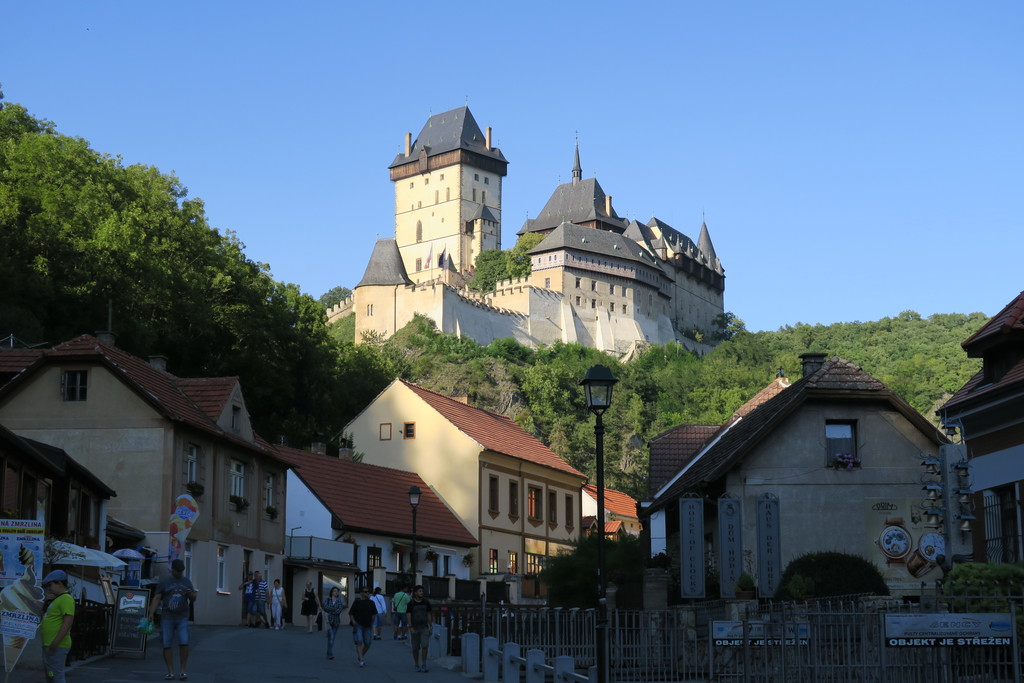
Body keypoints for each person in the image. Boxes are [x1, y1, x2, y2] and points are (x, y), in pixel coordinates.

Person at [147, 558, 197, 681]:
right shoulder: (164, 582)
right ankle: (170, 671)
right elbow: (157, 598)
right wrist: (151, 613)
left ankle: (183, 671)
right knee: (166, 644)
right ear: (172, 570)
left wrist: (190, 595)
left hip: (182, 617)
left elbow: (194, 598)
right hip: (167, 617)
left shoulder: (186, 581)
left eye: (181, 571)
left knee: (184, 642)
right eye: (177, 571)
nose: (179, 573)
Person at [41, 569, 75, 683]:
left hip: (57, 645)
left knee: (56, 675)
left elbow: (68, 622)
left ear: (59, 583)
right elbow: (42, 616)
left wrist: (55, 642)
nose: (49, 588)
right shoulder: (56, 599)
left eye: (50, 585)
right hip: (49, 644)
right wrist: (46, 602)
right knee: (50, 674)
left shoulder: (66, 599)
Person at [349, 586, 376, 667]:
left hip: (368, 625)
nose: (367, 593)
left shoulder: (371, 602)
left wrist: (372, 622)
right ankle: (361, 660)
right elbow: (351, 613)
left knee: (368, 643)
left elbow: (374, 614)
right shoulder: (357, 602)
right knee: (359, 641)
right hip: (358, 625)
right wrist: (353, 622)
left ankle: (361, 655)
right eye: (365, 591)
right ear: (361, 593)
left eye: (368, 591)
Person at [408, 584, 433, 673]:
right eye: (420, 591)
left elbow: (429, 614)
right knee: (415, 648)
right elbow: (409, 615)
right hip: (414, 628)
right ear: (415, 593)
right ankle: (416, 664)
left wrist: (430, 627)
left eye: (422, 591)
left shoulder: (426, 602)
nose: (421, 593)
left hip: (424, 627)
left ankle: (424, 664)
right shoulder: (411, 603)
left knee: (425, 645)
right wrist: (410, 626)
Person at [321, 586, 345, 660]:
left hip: (336, 622)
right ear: (331, 592)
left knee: (332, 638)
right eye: (334, 591)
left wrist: (331, 610)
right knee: (331, 638)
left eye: (337, 591)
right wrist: (333, 609)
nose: (336, 592)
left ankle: (328, 653)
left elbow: (339, 610)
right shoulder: (327, 600)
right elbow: (325, 607)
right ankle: (330, 654)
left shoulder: (339, 601)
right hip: (328, 621)